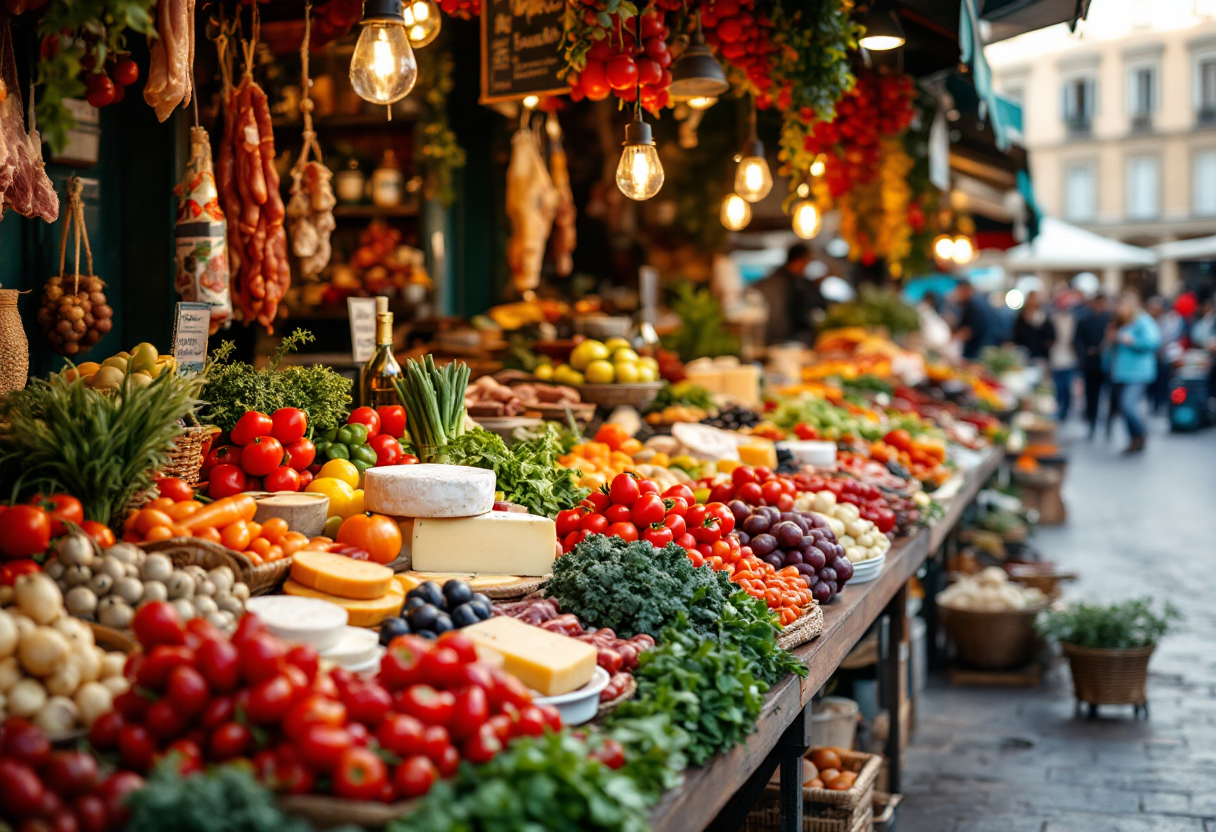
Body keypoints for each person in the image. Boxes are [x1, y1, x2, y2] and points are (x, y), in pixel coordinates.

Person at [1107, 292, 1161, 453]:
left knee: (1128, 404)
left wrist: (1131, 341)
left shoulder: (1142, 321)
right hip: (1121, 371)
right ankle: (1134, 439)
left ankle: (1141, 432)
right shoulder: (1120, 323)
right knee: (1124, 408)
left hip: (1138, 372)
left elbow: (1153, 342)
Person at [755, 244, 823, 345]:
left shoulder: (788, 279)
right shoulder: (782, 281)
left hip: (784, 336)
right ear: (801, 260)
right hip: (783, 337)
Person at [1073, 294, 1111, 438]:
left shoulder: (1110, 319)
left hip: (1107, 364)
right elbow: (1077, 340)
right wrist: (1085, 352)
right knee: (1091, 396)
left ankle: (1108, 425)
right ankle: (1092, 423)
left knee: (1109, 396)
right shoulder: (1084, 319)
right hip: (1090, 364)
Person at [1048, 289, 1079, 421]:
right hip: (1056, 357)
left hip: (1070, 357)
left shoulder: (1075, 320)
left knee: (1067, 386)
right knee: (1058, 387)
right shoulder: (1053, 319)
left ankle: (1066, 410)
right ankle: (1060, 408)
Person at [1011, 290, 1056, 367]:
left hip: (1040, 353)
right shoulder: (1022, 316)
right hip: (1024, 352)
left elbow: (1050, 335)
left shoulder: (1043, 316)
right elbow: (1017, 334)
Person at [950, 280, 993, 360]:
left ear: (966, 290)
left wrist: (953, 341)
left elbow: (969, 331)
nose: (957, 295)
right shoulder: (977, 302)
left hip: (977, 351)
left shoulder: (974, 305)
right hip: (980, 348)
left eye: (959, 292)